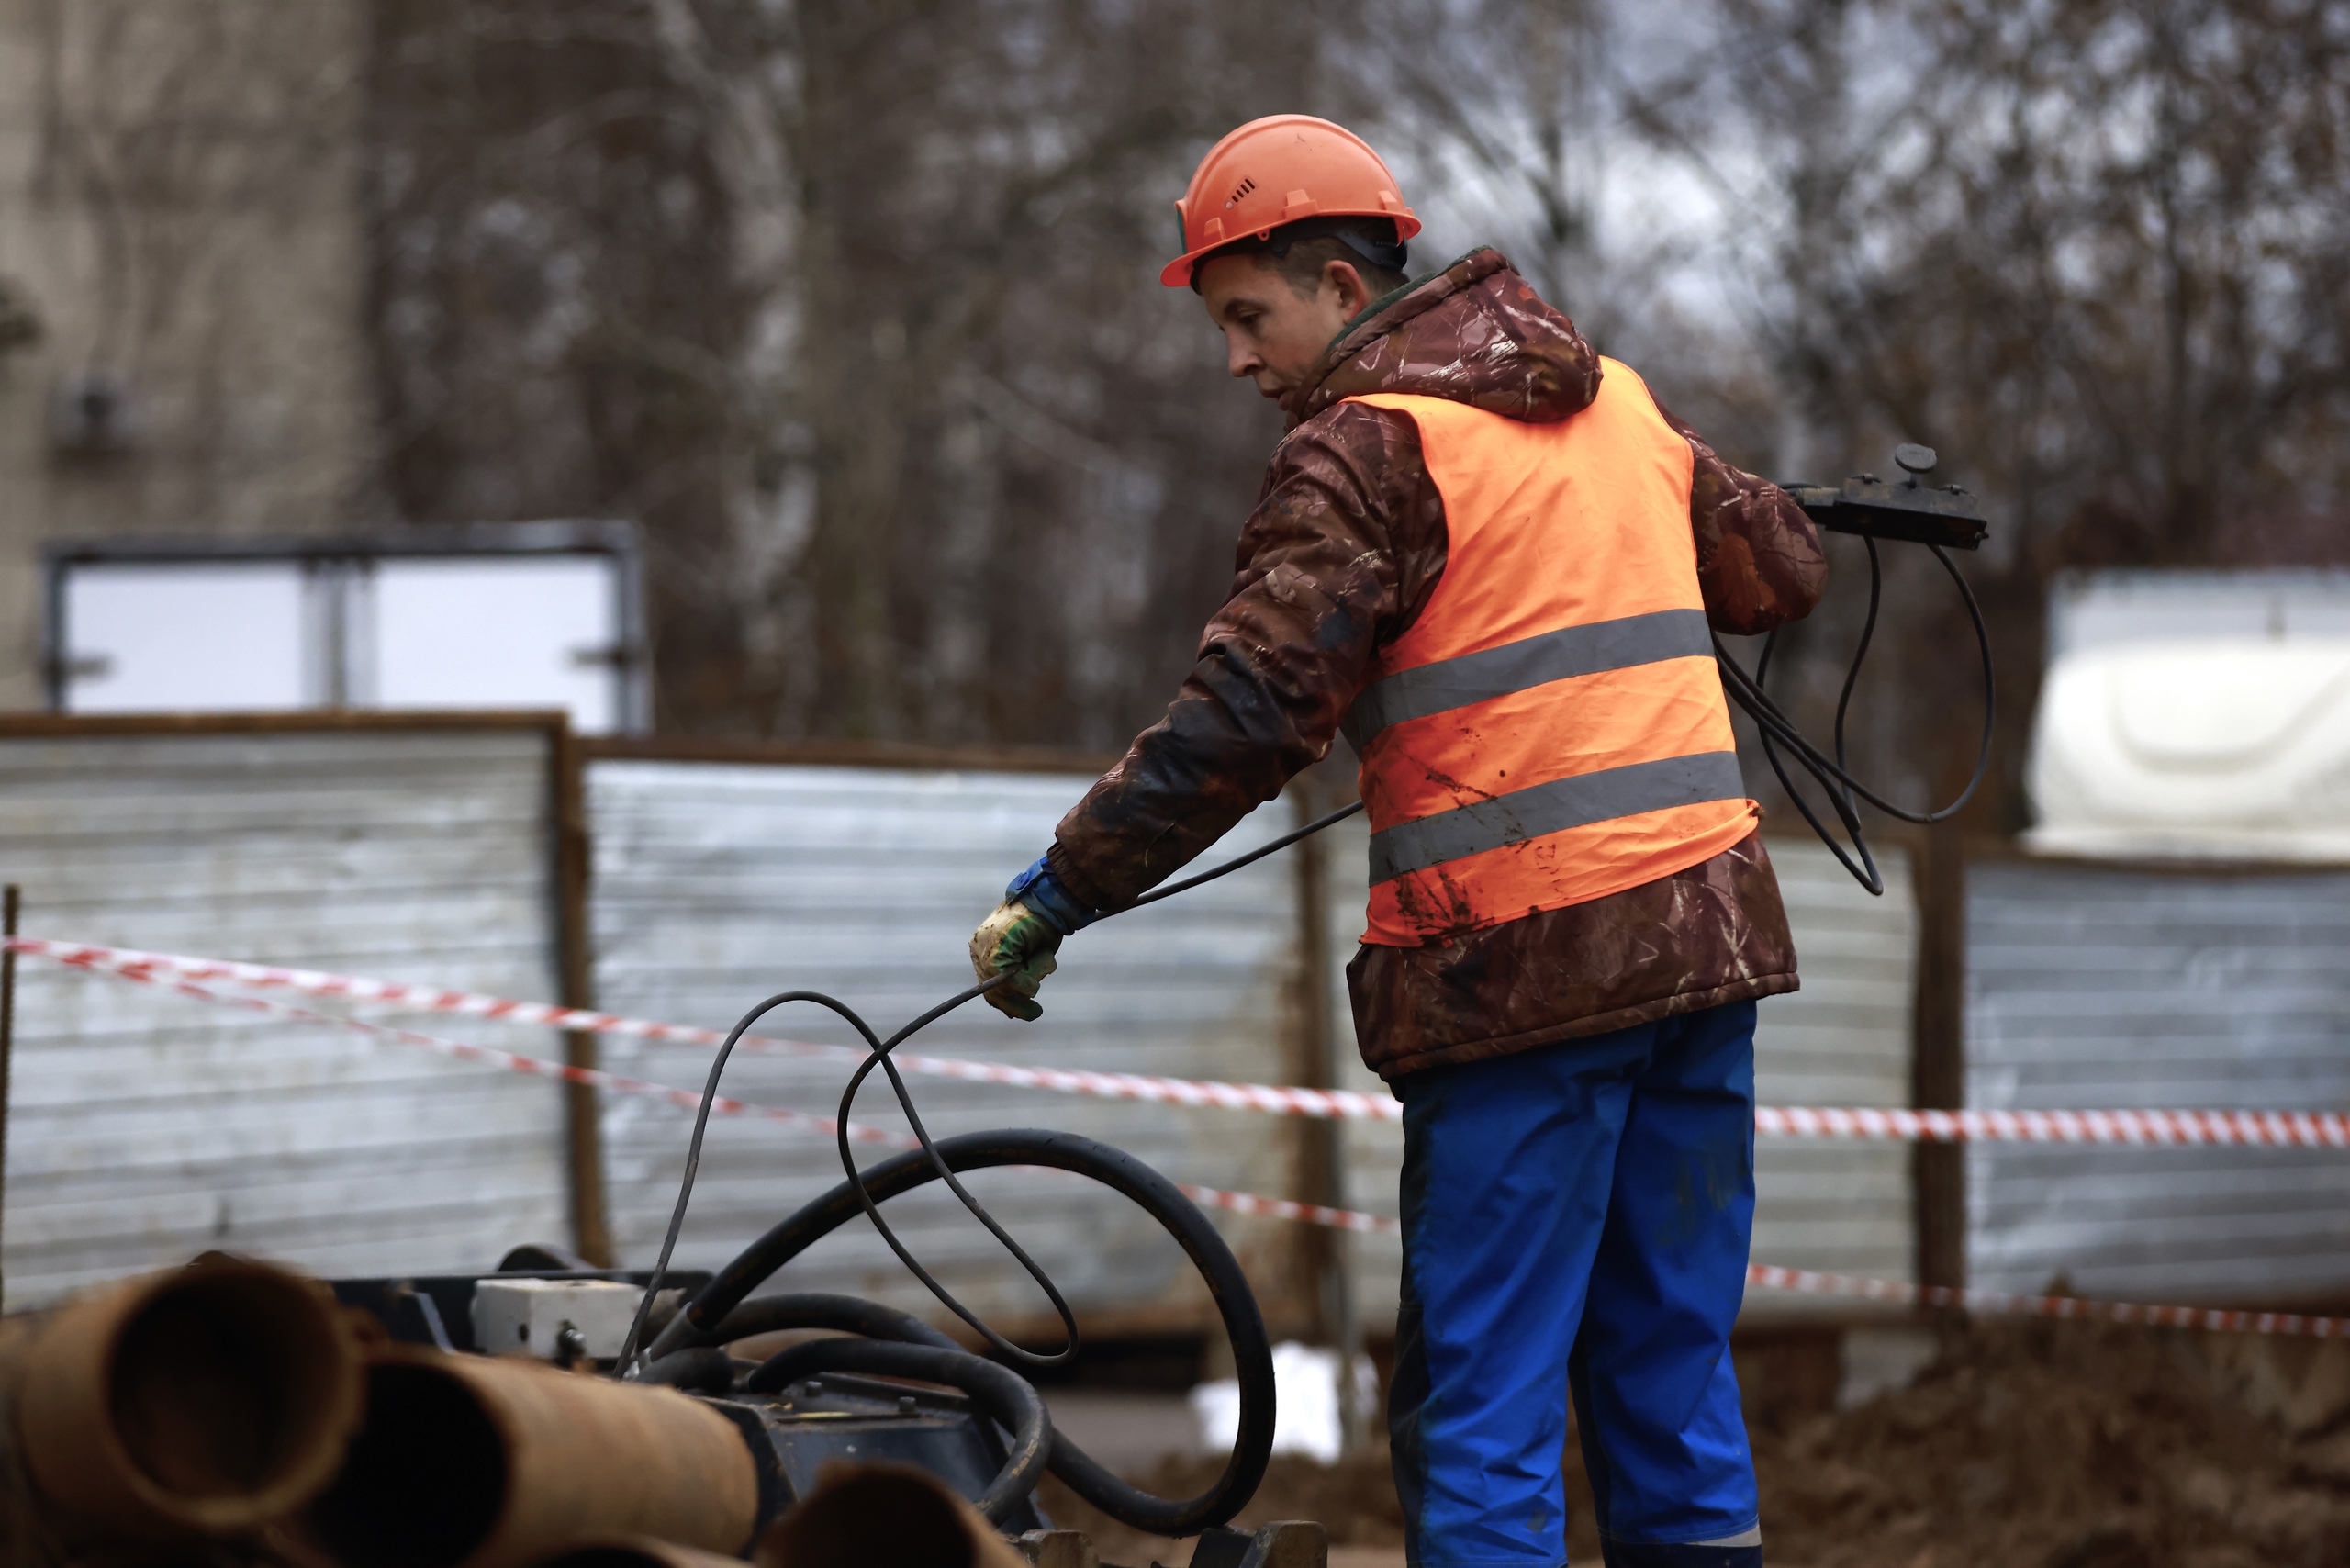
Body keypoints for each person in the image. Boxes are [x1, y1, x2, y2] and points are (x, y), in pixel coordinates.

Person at [968, 114, 1825, 1568]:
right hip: (1704, 959)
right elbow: (1782, 569)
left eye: (1248, 316)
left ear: (1342, 290)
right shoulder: (1616, 400)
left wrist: (1061, 891)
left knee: (1480, 1405)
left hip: (1521, 980)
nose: (1235, 357)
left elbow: (1247, 712)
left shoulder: (1362, 452)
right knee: (1669, 1376)